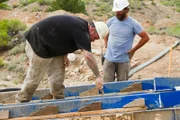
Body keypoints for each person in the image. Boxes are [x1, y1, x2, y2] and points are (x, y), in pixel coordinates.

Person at [15, 15, 109, 103]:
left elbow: (63, 35)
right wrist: (97, 76)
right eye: (95, 38)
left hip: (52, 47)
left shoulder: (82, 27)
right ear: (93, 29)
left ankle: (59, 100)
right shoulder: (82, 31)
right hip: (39, 43)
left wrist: (65, 54)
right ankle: (21, 102)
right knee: (34, 78)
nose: (93, 40)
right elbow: (88, 56)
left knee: (58, 77)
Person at [103, 0, 149, 82]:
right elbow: (106, 32)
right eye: (116, 11)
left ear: (126, 10)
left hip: (123, 61)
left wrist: (133, 50)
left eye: (119, 11)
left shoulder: (133, 23)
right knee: (106, 85)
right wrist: (105, 43)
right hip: (109, 59)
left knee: (122, 87)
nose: (117, 13)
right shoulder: (111, 21)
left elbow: (145, 37)